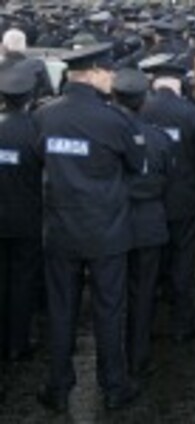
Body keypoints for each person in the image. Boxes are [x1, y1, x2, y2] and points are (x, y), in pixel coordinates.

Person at [34, 43, 144, 411]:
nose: (113, 77)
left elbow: (39, 159)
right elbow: (137, 165)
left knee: (61, 309)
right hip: (106, 230)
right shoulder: (115, 120)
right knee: (109, 310)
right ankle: (113, 386)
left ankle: (58, 386)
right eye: (108, 71)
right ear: (93, 72)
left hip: (61, 228)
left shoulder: (44, 115)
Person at [140, 58, 195, 343]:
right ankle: (183, 323)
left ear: (153, 82)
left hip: (148, 199)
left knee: (148, 264)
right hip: (183, 199)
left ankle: (145, 323)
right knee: (183, 261)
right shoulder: (192, 113)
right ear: (179, 83)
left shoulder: (141, 109)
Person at [111, 67, 173, 376]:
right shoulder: (159, 138)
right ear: (144, 100)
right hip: (148, 220)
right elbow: (169, 179)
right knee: (143, 292)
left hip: (114, 220)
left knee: (110, 295)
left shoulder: (106, 133)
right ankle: (137, 356)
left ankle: (112, 359)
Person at [0, 68, 41, 400]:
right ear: (30, 98)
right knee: (23, 281)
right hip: (28, 218)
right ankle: (18, 342)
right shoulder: (36, 131)